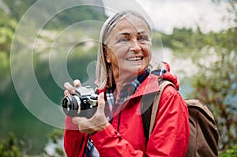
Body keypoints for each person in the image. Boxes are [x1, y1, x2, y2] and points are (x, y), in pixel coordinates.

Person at [63, 10, 190, 156]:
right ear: (106, 54)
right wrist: (75, 116)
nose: (136, 47)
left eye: (142, 38)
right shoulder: (99, 98)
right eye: (124, 40)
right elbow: (74, 153)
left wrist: (103, 131)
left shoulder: (167, 99)